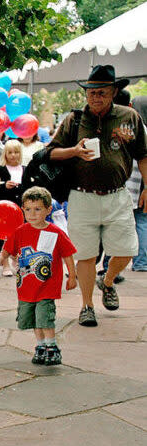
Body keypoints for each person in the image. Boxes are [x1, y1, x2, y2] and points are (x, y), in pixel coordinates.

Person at [45, 65, 147, 327]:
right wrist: (74, 152)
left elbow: (143, 154)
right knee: (86, 255)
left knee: (127, 250)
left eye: (101, 92)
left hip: (117, 195)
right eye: (91, 92)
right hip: (81, 196)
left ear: (114, 92)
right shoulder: (74, 120)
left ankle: (108, 280)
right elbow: (50, 153)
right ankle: (87, 305)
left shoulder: (130, 117)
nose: (95, 97)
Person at [0, 187, 77, 365]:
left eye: (38, 209)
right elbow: (8, 248)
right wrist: (1, 258)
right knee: (32, 318)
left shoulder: (56, 233)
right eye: (28, 209)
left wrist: (72, 275)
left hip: (47, 287)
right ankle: (40, 346)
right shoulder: (20, 231)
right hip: (26, 287)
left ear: (48, 210)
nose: (32, 214)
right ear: (23, 209)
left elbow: (68, 254)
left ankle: (52, 347)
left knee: (45, 317)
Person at [0, 140, 26, 276]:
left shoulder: (25, 169)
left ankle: (16, 259)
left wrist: (19, 187)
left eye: (16, 152)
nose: (13, 155)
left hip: (21, 209)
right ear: (5, 154)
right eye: (10, 152)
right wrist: (4, 186)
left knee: (20, 235)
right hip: (4, 209)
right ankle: (5, 265)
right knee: (4, 236)